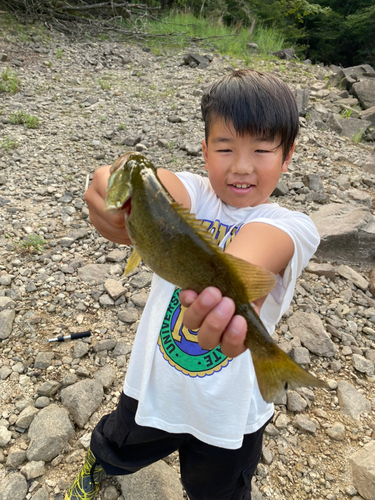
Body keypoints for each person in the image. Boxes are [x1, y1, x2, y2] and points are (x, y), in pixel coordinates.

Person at [65, 69, 320, 500]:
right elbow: (154, 181)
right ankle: (98, 465)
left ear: (287, 156)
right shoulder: (196, 195)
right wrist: (117, 187)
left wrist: (231, 293)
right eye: (225, 148)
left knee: (219, 490)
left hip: (230, 415)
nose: (241, 166)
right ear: (204, 151)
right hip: (154, 390)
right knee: (116, 446)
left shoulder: (293, 226)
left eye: (261, 149)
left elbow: (256, 254)